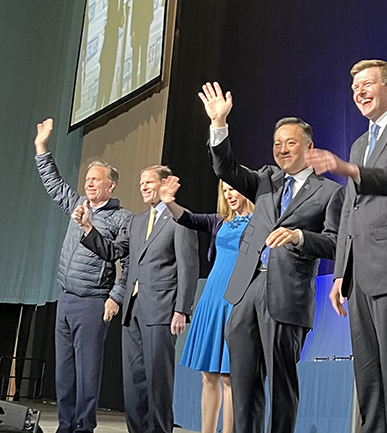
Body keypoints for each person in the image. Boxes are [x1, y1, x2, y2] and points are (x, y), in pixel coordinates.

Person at [199, 82, 343, 433]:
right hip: (247, 288)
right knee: (244, 382)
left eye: (290, 143)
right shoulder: (266, 179)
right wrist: (219, 124)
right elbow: (226, 169)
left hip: (287, 294)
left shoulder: (330, 192)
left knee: (281, 384)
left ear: (308, 146)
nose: (281, 150)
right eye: (277, 143)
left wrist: (299, 237)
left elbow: (337, 243)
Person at [306, 59, 387, 433]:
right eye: (354, 87)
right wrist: (341, 272)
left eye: (367, 84)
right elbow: (349, 212)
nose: (358, 92)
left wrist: (351, 171)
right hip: (359, 273)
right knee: (368, 376)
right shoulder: (361, 142)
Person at [73, 165, 199, 433]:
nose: (142, 187)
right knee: (134, 382)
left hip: (162, 310)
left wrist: (182, 310)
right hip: (133, 311)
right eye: (141, 182)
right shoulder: (137, 221)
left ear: (164, 184)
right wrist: (87, 228)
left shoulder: (180, 219)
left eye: (148, 182)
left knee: (158, 382)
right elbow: (113, 251)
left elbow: (188, 266)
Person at [33, 118, 131, 433]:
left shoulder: (121, 218)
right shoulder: (78, 204)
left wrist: (115, 297)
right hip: (66, 298)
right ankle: (65, 426)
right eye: (87, 179)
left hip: (93, 302)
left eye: (95, 179)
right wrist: (41, 147)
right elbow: (54, 184)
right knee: (63, 372)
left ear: (111, 185)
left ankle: (84, 426)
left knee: (87, 372)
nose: (88, 184)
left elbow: (128, 261)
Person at [159, 176, 254, 433]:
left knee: (229, 377)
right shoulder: (219, 221)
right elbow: (189, 219)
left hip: (237, 300)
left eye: (233, 189)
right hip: (212, 300)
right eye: (225, 190)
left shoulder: (259, 222)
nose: (230, 194)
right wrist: (169, 202)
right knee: (208, 375)